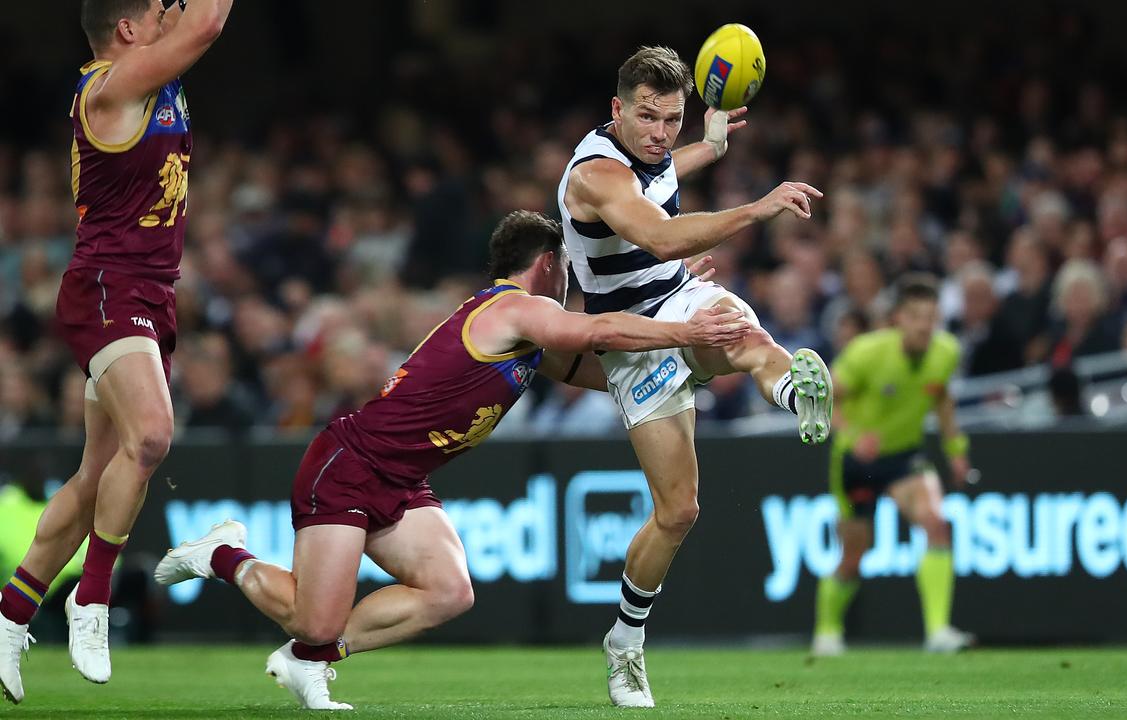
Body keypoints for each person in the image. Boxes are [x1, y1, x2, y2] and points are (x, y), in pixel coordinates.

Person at [152, 211, 749, 710]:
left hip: (402, 477)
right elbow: (597, 333)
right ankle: (223, 555)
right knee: (313, 619)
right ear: (547, 263)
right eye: (565, 267)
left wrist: (669, 307)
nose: (569, 280)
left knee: (449, 592)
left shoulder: (524, 331)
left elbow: (611, 371)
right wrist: (685, 331)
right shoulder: (514, 309)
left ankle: (310, 663)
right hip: (350, 464)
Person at [557, 46, 831, 708]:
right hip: (632, 338)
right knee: (679, 511)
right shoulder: (596, 174)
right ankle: (625, 641)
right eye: (647, 118)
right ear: (617, 109)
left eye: (672, 119)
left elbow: (660, 172)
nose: (659, 133)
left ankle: (796, 391)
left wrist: (706, 147)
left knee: (743, 331)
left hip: (680, 297)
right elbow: (661, 236)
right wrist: (757, 209)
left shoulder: (650, 150)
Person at [0, 0, 233, 704]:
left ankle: (9, 621)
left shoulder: (149, 80)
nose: (171, 12)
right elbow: (209, 22)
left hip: (150, 292)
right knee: (154, 435)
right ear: (127, 29)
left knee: (95, 474)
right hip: (109, 288)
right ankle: (92, 599)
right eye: (158, 9)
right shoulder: (113, 84)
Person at [812, 274, 976, 656]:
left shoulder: (946, 352)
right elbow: (824, 402)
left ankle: (938, 633)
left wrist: (956, 448)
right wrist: (854, 435)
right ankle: (827, 631)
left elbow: (942, 399)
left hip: (905, 457)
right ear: (898, 318)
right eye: (916, 315)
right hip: (856, 461)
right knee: (855, 554)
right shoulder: (866, 353)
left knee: (935, 522)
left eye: (931, 316)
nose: (924, 325)